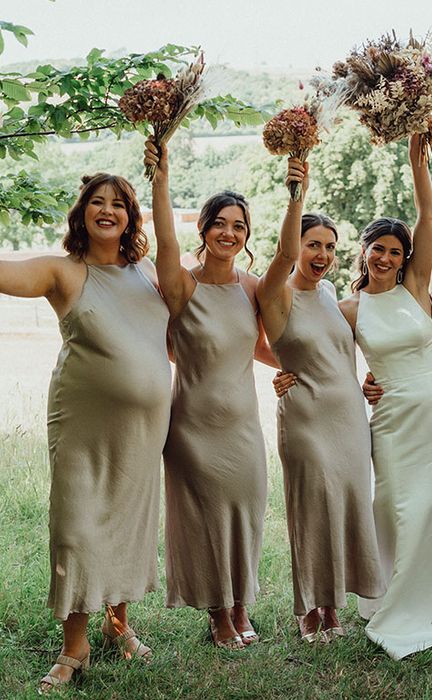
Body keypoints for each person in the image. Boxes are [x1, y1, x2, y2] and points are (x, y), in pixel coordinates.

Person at [0, 173, 171, 691]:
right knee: (77, 527)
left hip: (143, 429)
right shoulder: (63, 271)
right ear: (81, 212)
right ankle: (74, 646)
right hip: (82, 423)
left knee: (125, 523)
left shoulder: (145, 271)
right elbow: (9, 276)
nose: (107, 210)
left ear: (130, 216)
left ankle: (119, 627)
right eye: (96, 202)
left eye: (118, 204)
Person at [339, 134, 432, 660]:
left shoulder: (415, 287)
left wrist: (416, 162)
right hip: (391, 415)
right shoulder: (349, 308)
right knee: (393, 501)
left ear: (406, 257)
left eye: (395, 250)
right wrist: (338, 381)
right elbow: (309, 352)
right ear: (364, 252)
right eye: (377, 249)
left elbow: (429, 216)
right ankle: (390, 595)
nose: (385, 257)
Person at [145, 142, 271, 649]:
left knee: (246, 511)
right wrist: (161, 176)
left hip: (244, 426)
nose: (229, 232)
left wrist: (314, 372)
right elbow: (164, 241)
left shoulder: (252, 288)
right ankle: (219, 614)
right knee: (208, 519)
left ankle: (241, 606)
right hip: (193, 427)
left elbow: (264, 346)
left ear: (246, 235)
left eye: (239, 226)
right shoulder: (182, 285)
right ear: (204, 227)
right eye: (221, 222)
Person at [256, 159, 383, 642]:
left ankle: (334, 607)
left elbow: (339, 352)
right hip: (306, 418)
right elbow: (283, 260)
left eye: (330, 247)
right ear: (297, 247)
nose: (323, 254)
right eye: (314, 244)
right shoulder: (276, 294)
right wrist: (297, 192)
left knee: (346, 507)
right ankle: (307, 608)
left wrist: (369, 384)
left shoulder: (330, 292)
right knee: (311, 510)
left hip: (349, 417)